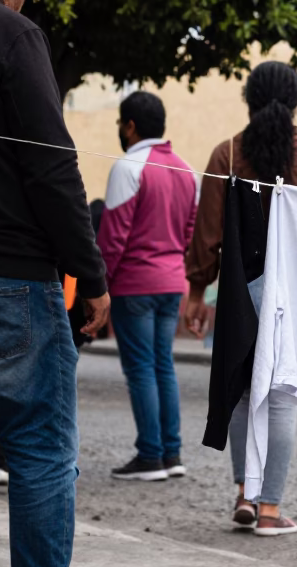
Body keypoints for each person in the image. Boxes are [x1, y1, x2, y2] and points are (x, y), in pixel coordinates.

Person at [0, 0, 136, 567]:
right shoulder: (11, 35)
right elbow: (50, 164)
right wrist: (89, 275)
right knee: (40, 451)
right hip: (9, 275)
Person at [184, 61, 297, 537]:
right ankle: (270, 508)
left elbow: (207, 234)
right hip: (294, 295)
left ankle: (244, 496)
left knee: (238, 394)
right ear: (295, 101)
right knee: (278, 401)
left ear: (249, 99)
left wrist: (196, 292)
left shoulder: (225, 155)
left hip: (240, 294)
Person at [97, 92, 198, 482]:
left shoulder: (127, 167)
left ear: (130, 125)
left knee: (140, 369)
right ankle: (171, 454)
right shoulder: (186, 170)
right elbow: (188, 233)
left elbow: (113, 239)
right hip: (172, 282)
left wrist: (99, 287)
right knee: (163, 365)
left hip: (134, 285)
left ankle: (150, 455)